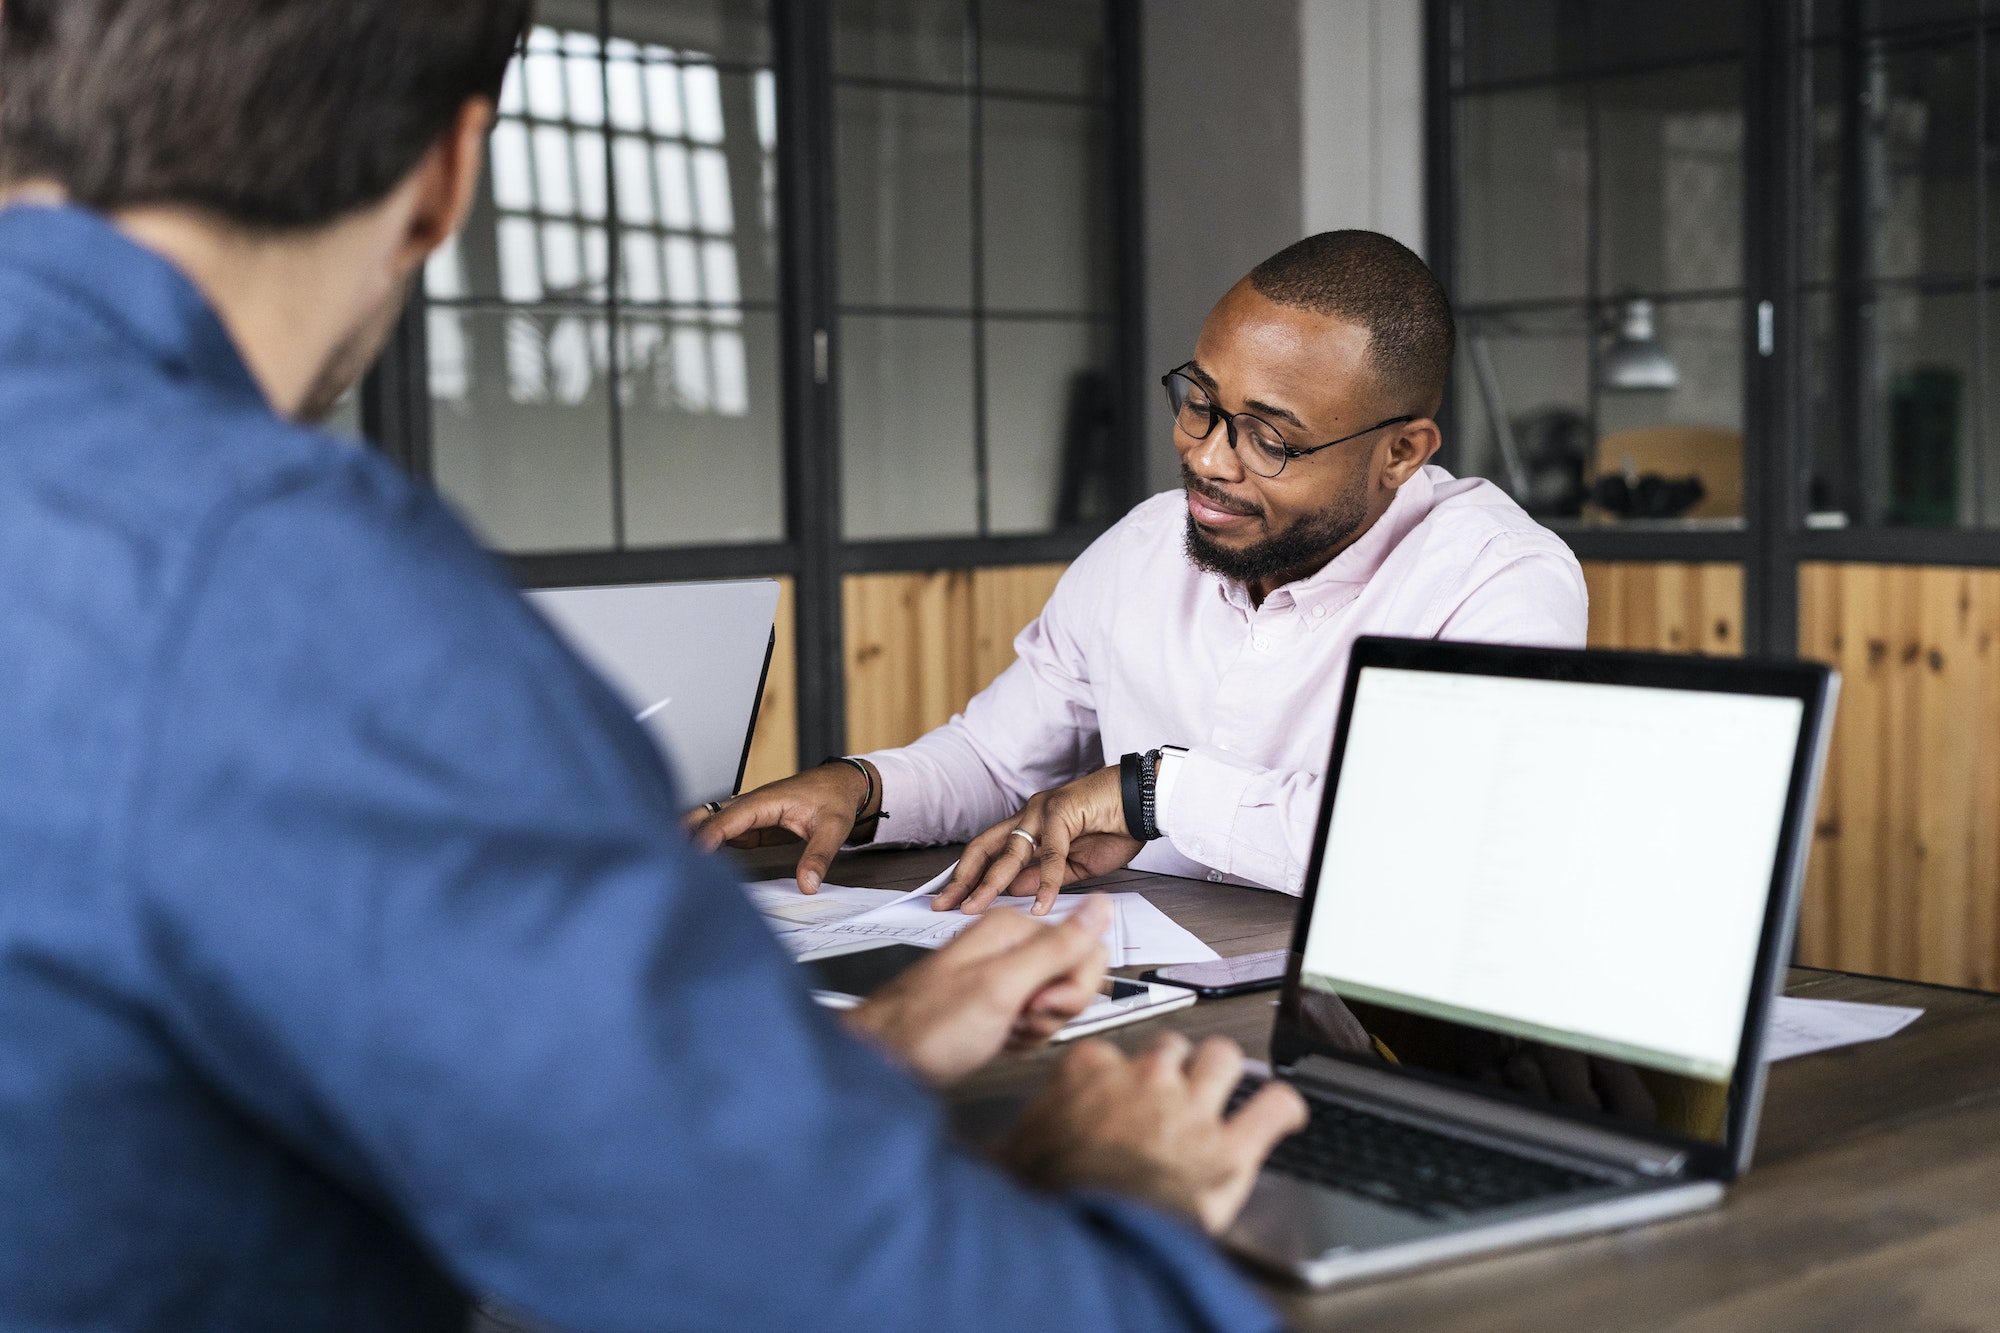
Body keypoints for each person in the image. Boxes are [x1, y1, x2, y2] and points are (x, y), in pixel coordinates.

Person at [0, 3, 1306, 1329]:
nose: (1212, 452)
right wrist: (1124, 1202)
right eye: (1204, 409)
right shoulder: (279, 588)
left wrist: (845, 1058)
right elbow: (810, 1277)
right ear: (451, 170)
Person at [699, 232, 1590, 914]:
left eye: (1271, 439)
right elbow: (998, 756)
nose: (1208, 458)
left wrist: (1148, 793)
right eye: (1200, 401)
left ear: (1402, 451)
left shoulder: (1499, 582)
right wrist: (859, 788)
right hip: (1138, 979)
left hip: (1351, 1026)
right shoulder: (1147, 544)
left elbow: (1439, 839)